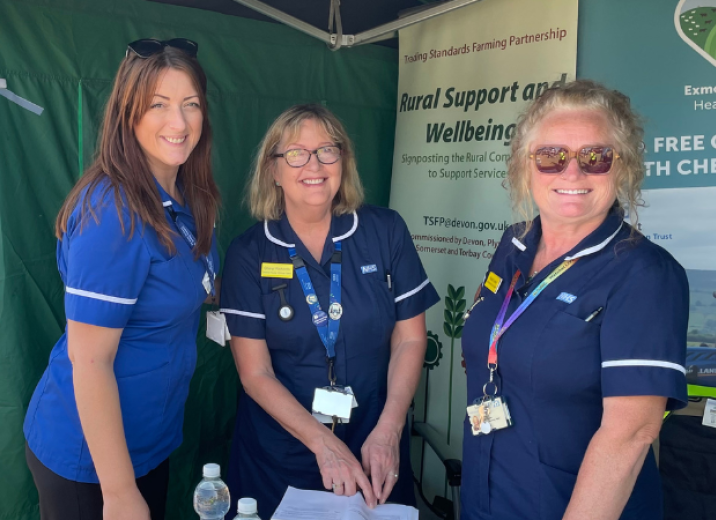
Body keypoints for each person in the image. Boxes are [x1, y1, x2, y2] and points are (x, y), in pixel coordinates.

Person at [460, 80, 689, 520]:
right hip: (487, 497)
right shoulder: (515, 244)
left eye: (595, 157)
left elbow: (631, 434)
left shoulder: (645, 274)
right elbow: (493, 329)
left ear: (622, 168)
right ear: (526, 167)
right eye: (551, 156)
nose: (572, 173)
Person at [23, 38, 219, 520]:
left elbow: (198, 287)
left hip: (148, 443)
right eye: (159, 105)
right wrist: (118, 492)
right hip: (91, 464)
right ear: (127, 114)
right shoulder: (112, 211)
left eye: (190, 104)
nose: (180, 122)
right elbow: (89, 360)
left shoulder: (185, 198)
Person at [220, 104, 439, 519]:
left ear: (344, 161)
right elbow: (255, 373)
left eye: (327, 151)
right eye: (296, 154)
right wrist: (323, 444)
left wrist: (390, 431)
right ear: (273, 170)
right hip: (281, 454)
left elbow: (411, 338)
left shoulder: (384, 230)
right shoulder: (249, 252)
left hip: (376, 442)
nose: (314, 165)